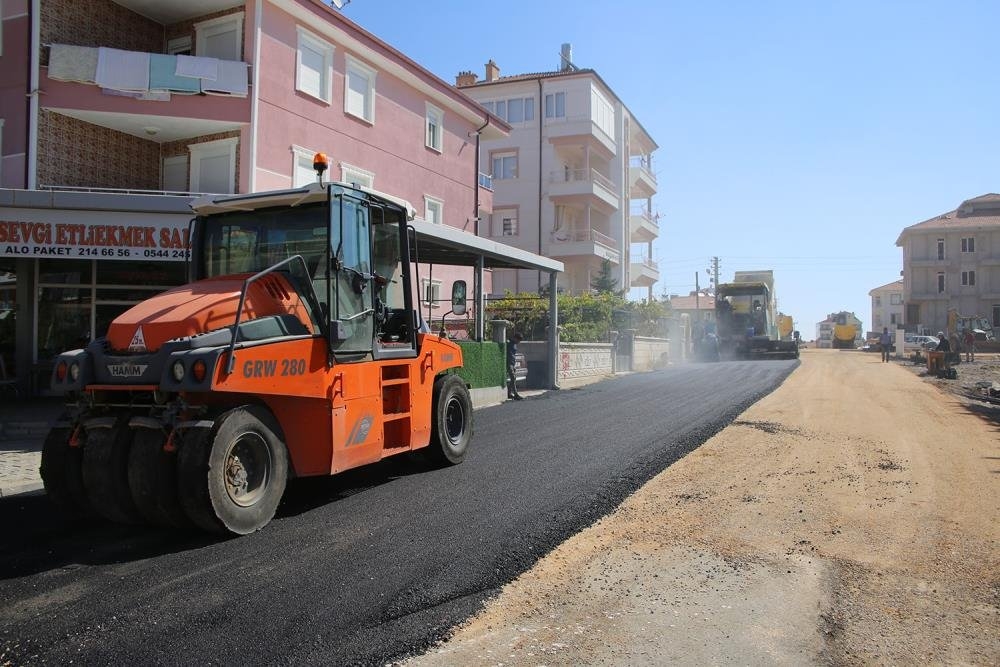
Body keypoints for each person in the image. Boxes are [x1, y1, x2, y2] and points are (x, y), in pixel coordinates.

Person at [506, 332, 524, 400]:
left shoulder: (515, 345)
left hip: (512, 363)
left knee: (514, 378)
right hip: (508, 363)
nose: (519, 342)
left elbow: (513, 355)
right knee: (513, 378)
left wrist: (514, 365)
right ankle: (516, 394)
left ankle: (509, 393)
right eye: (518, 340)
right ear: (515, 338)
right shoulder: (508, 343)